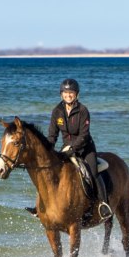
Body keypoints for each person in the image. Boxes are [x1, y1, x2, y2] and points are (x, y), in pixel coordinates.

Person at [46, 78, 111, 219]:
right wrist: (47, 151)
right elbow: (52, 136)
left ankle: (103, 204)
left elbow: (84, 135)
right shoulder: (57, 111)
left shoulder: (83, 110)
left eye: (71, 92)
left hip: (85, 148)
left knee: (93, 172)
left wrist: (72, 149)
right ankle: (43, 205)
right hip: (66, 148)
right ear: (61, 94)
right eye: (65, 92)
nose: (68, 95)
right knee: (49, 172)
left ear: (76, 94)